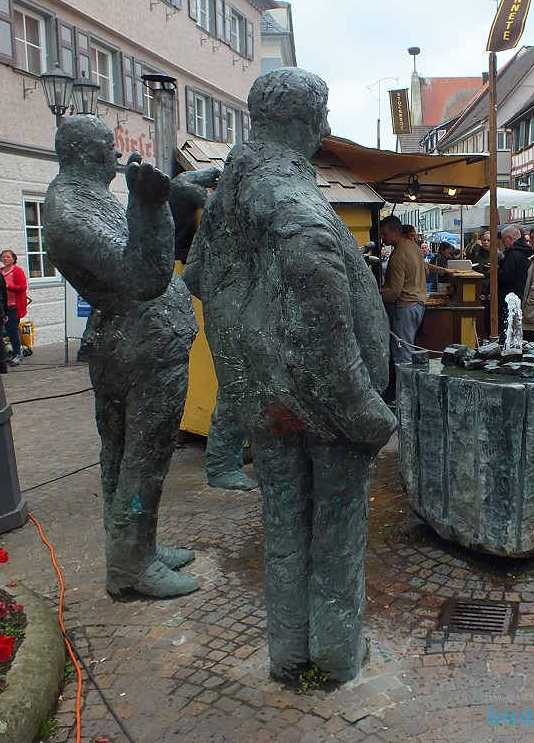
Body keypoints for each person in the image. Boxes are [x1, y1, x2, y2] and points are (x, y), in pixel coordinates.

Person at [184, 68, 395, 684]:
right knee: (334, 527)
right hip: (321, 402)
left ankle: (290, 654)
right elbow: (312, 268)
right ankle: (334, 654)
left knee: (283, 527)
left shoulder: (233, 188)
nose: (327, 128)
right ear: (312, 123)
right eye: (324, 118)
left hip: (264, 392)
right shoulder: (289, 192)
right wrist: (360, 406)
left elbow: (199, 276)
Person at [44, 114, 199, 599]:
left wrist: (174, 194)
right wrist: (151, 204)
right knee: (141, 456)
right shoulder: (70, 210)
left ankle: (135, 546)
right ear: (88, 152)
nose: (116, 154)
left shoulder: (89, 198)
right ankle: (131, 565)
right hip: (140, 350)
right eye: (108, 146)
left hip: (139, 344)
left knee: (124, 452)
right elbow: (143, 277)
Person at [379, 214, 428, 401]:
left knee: (402, 356)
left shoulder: (399, 254)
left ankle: (406, 399)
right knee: (408, 352)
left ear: (396, 232)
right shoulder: (413, 247)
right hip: (419, 305)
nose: (382, 238)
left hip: (405, 306)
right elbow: (426, 269)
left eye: (384, 234)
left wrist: (375, 294)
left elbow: (395, 292)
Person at [497, 225, 532, 339]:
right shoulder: (524, 253)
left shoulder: (513, 254)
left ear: (509, 238)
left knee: (506, 330)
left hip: (508, 297)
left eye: (503, 241)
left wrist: (495, 272)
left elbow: (506, 276)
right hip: (518, 295)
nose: (503, 244)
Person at [0, 250, 28, 367]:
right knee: (2, 330)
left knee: (12, 329)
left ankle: (17, 353)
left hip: (14, 305)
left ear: (13, 259)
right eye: (3, 257)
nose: (5, 259)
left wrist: (7, 287)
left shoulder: (17, 271)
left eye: (8, 257)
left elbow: (22, 287)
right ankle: (5, 352)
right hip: (2, 305)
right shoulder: (0, 271)